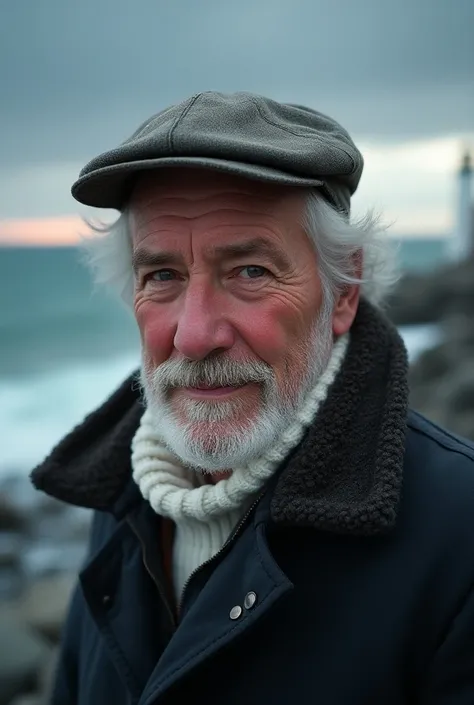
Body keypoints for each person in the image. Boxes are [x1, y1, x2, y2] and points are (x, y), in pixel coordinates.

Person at [32, 92, 474, 705]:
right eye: (161, 275)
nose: (194, 335)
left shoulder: (458, 535)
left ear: (343, 291)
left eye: (250, 272)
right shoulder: (121, 493)